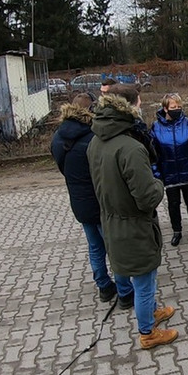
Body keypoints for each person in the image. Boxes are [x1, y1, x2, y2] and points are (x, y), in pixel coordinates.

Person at [87, 85, 178, 350]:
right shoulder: (131, 148)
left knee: (142, 279)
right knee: (144, 280)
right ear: (128, 107)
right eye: (139, 102)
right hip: (134, 226)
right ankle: (148, 333)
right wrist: (159, 184)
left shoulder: (96, 140)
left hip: (112, 220)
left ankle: (150, 313)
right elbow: (148, 197)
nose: (141, 107)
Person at [50, 93, 119, 303]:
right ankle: (124, 287)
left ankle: (103, 285)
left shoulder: (57, 138)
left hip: (78, 202)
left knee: (94, 245)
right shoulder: (93, 138)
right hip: (99, 201)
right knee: (113, 245)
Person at [151, 93, 188, 246]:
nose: (177, 109)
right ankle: (177, 231)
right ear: (165, 108)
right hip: (168, 175)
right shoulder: (156, 127)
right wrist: (157, 174)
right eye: (173, 107)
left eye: (179, 107)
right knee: (173, 204)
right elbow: (151, 153)